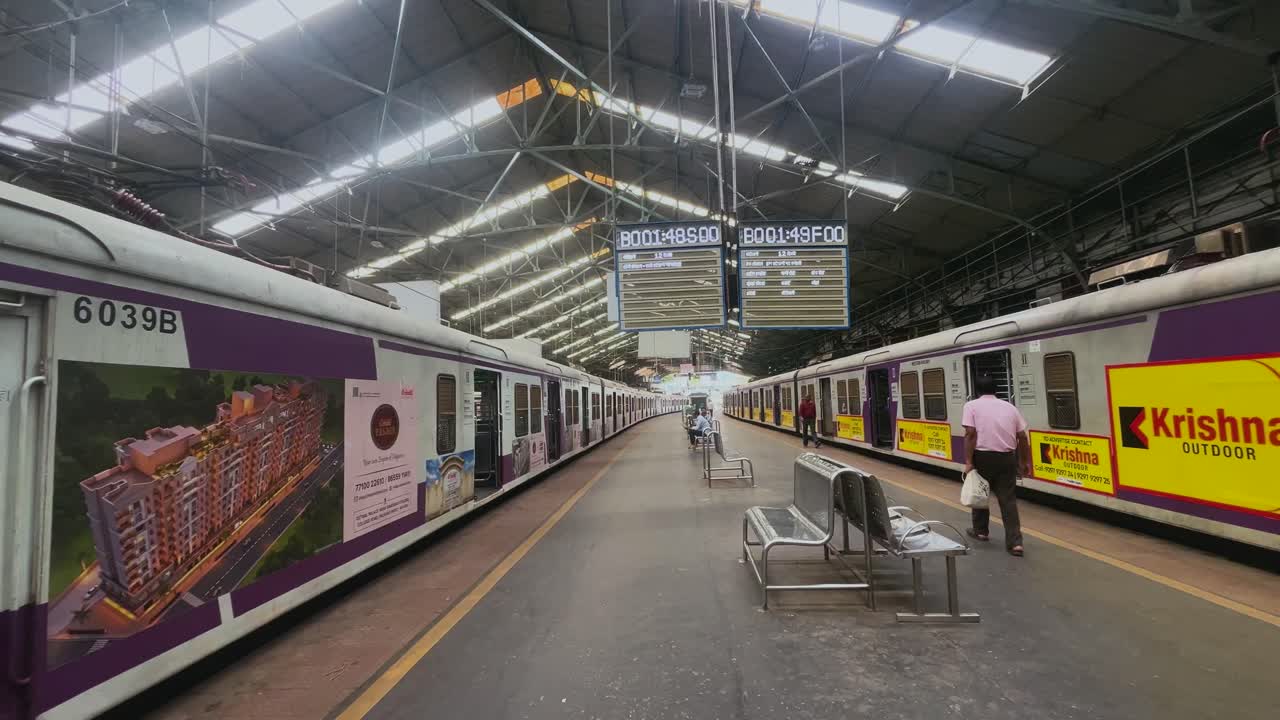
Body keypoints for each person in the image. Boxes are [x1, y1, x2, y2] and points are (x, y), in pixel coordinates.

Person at [961, 375, 1030, 556]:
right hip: (1007, 457)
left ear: (976, 391)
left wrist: (968, 462)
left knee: (979, 492)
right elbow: (1022, 436)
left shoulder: (971, 406)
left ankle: (981, 531)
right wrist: (1023, 461)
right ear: (996, 390)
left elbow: (970, 433)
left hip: (983, 456)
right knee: (1008, 500)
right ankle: (1016, 543)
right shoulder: (1010, 408)